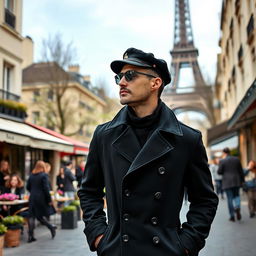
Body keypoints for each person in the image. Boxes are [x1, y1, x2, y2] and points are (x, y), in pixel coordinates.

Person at [78, 48, 218, 256]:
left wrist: (187, 244)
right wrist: (100, 236)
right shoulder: (104, 136)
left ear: (155, 83)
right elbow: (89, 192)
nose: (121, 82)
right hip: (118, 250)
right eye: (119, 77)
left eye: (130, 75)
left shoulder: (187, 139)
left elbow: (205, 200)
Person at [26, 160, 57, 243]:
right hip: (41, 199)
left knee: (32, 217)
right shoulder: (44, 175)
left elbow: (27, 187)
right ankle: (51, 227)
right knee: (39, 216)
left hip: (32, 198)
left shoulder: (31, 175)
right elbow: (46, 189)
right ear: (43, 167)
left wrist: (33, 191)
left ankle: (30, 236)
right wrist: (49, 200)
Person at [218, 147, 244, 222]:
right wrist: (242, 181)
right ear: (230, 152)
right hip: (236, 180)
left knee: (229, 198)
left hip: (227, 182)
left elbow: (219, 172)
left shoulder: (222, 161)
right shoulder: (236, 159)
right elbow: (241, 171)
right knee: (237, 195)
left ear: (224, 153)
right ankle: (237, 206)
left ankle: (232, 216)